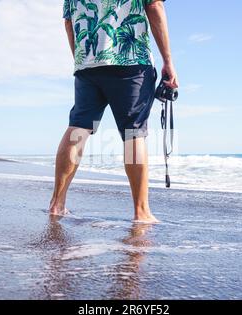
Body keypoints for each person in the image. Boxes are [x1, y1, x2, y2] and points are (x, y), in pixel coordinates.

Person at [49, 0, 178, 223]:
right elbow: (154, 5)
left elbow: (69, 21)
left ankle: (57, 204)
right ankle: (141, 211)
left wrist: (81, 60)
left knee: (78, 127)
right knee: (134, 133)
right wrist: (168, 61)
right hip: (131, 62)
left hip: (87, 65)